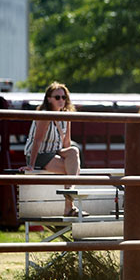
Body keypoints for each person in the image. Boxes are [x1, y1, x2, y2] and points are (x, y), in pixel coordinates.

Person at [20, 82, 83, 216]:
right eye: (57, 97)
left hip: (55, 151)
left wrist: (71, 160)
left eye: (64, 97)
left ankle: (69, 194)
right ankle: (69, 205)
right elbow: (37, 140)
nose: (61, 100)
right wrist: (31, 165)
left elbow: (66, 143)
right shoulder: (45, 115)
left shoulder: (66, 116)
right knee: (72, 170)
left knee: (74, 151)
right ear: (49, 99)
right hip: (40, 154)